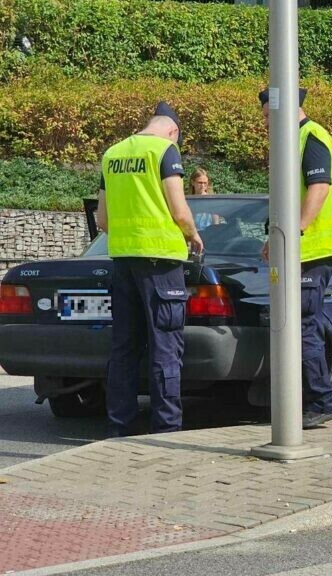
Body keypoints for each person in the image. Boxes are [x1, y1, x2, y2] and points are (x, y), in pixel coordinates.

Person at [97, 102, 203, 437]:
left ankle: (119, 427)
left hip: (123, 261)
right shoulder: (165, 151)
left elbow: (102, 219)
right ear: (173, 131)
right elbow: (179, 209)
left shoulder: (112, 154)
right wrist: (193, 235)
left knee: (124, 347)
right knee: (165, 346)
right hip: (161, 263)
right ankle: (166, 428)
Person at [259, 87, 332, 429]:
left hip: (315, 248)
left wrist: (296, 231)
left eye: (266, 118)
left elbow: (320, 187)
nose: (264, 125)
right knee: (305, 322)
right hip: (305, 247)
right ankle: (312, 399)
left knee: (302, 325)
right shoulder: (295, 140)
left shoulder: (311, 136)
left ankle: (321, 400)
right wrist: (276, 237)